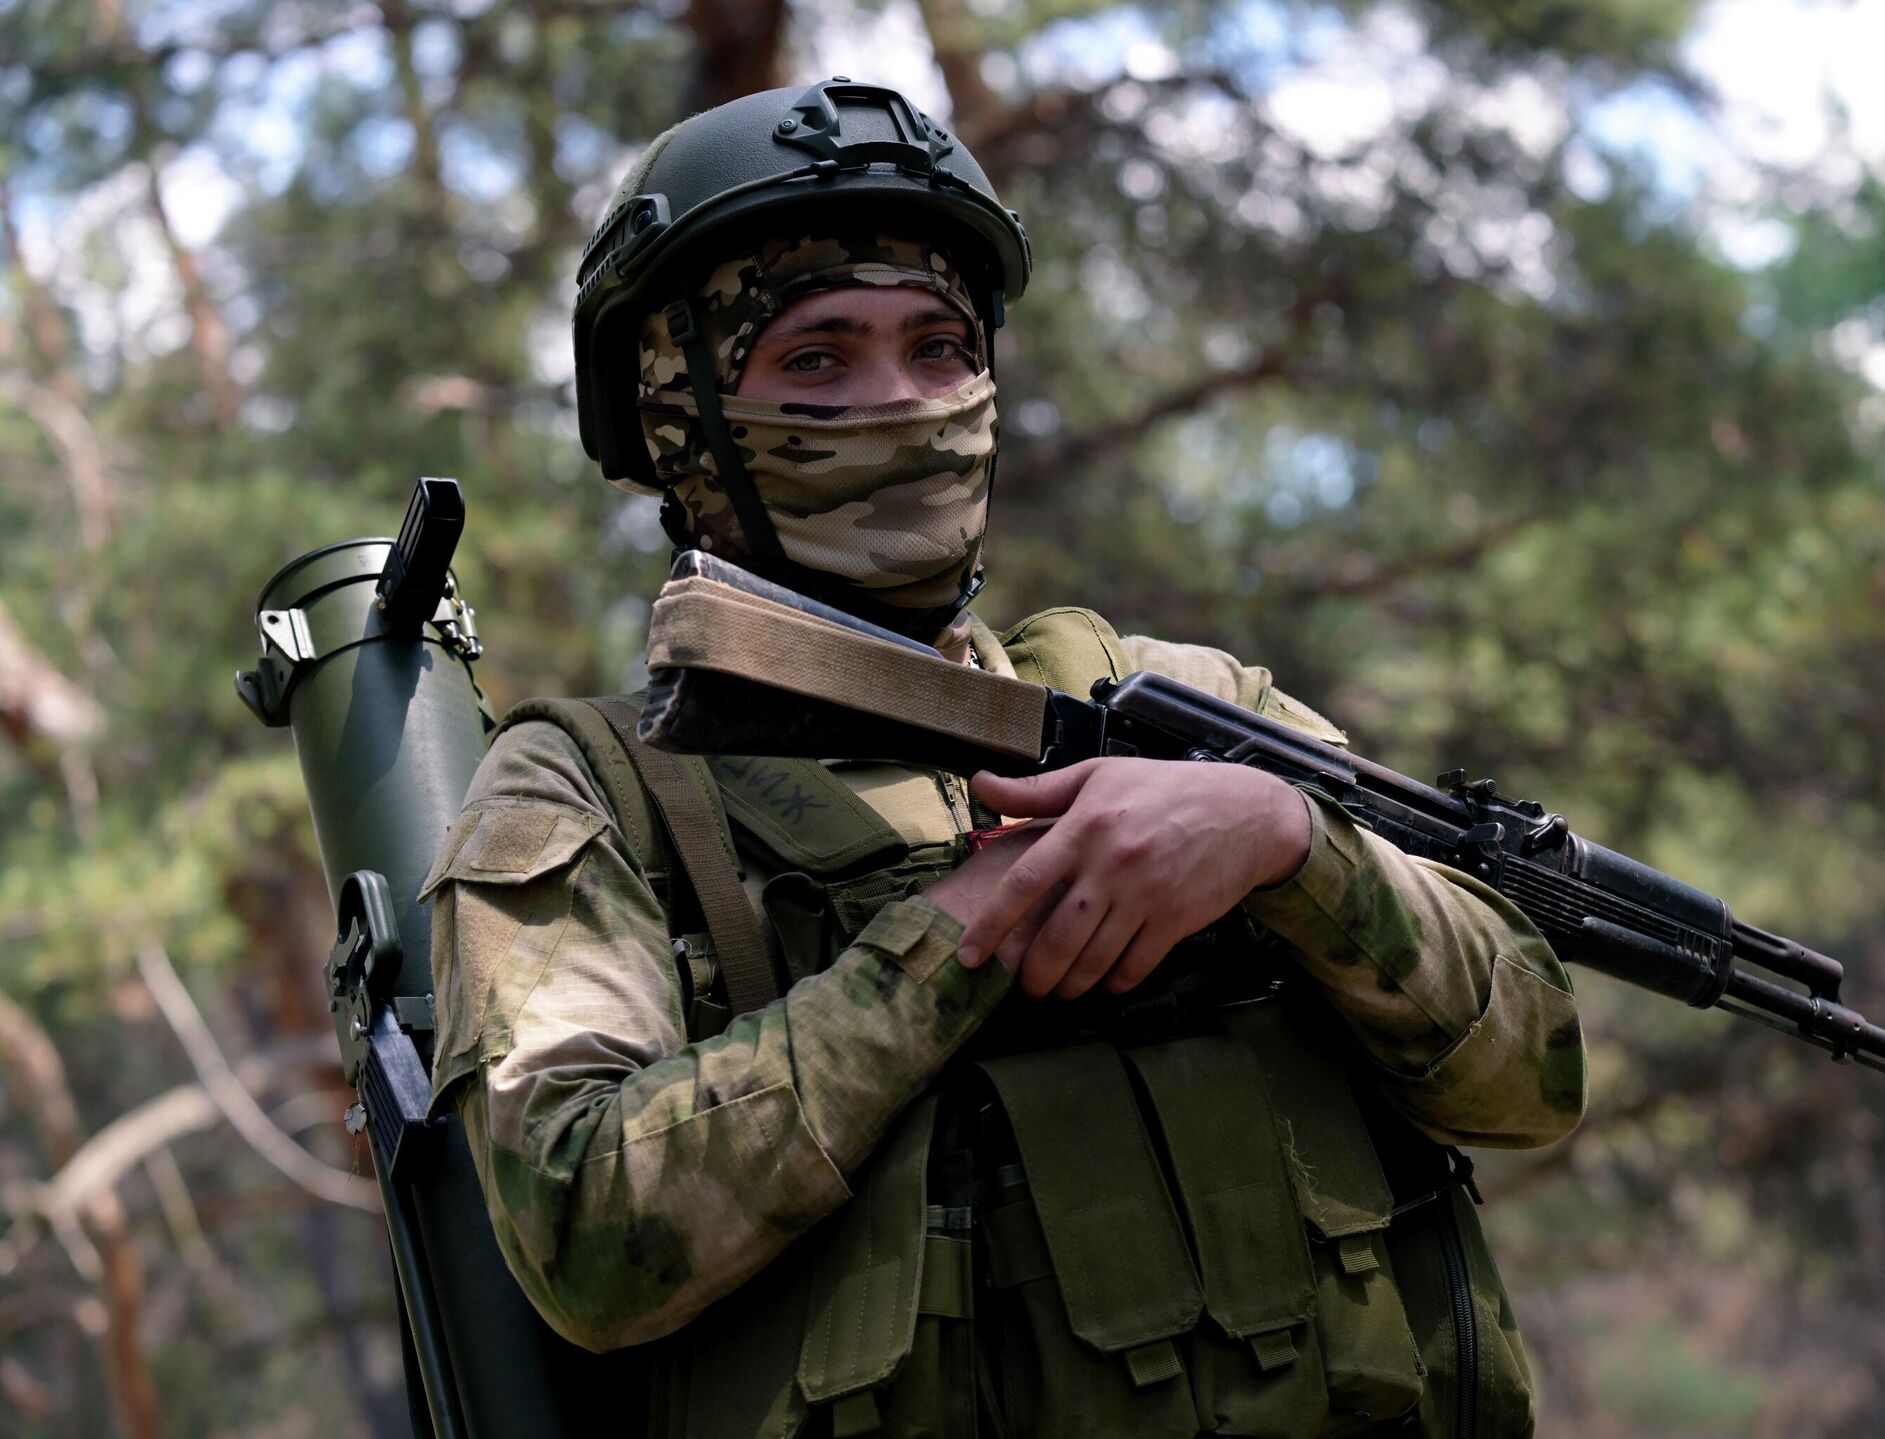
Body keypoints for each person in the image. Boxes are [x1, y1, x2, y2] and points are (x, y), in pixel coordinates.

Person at [420, 79, 1586, 1438]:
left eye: (939, 348)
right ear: (683, 419)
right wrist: (952, 941)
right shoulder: (600, 792)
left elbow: (1530, 1078)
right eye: (815, 361)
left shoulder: (1193, 709)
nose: (902, 405)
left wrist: (1291, 847)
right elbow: (588, 1240)